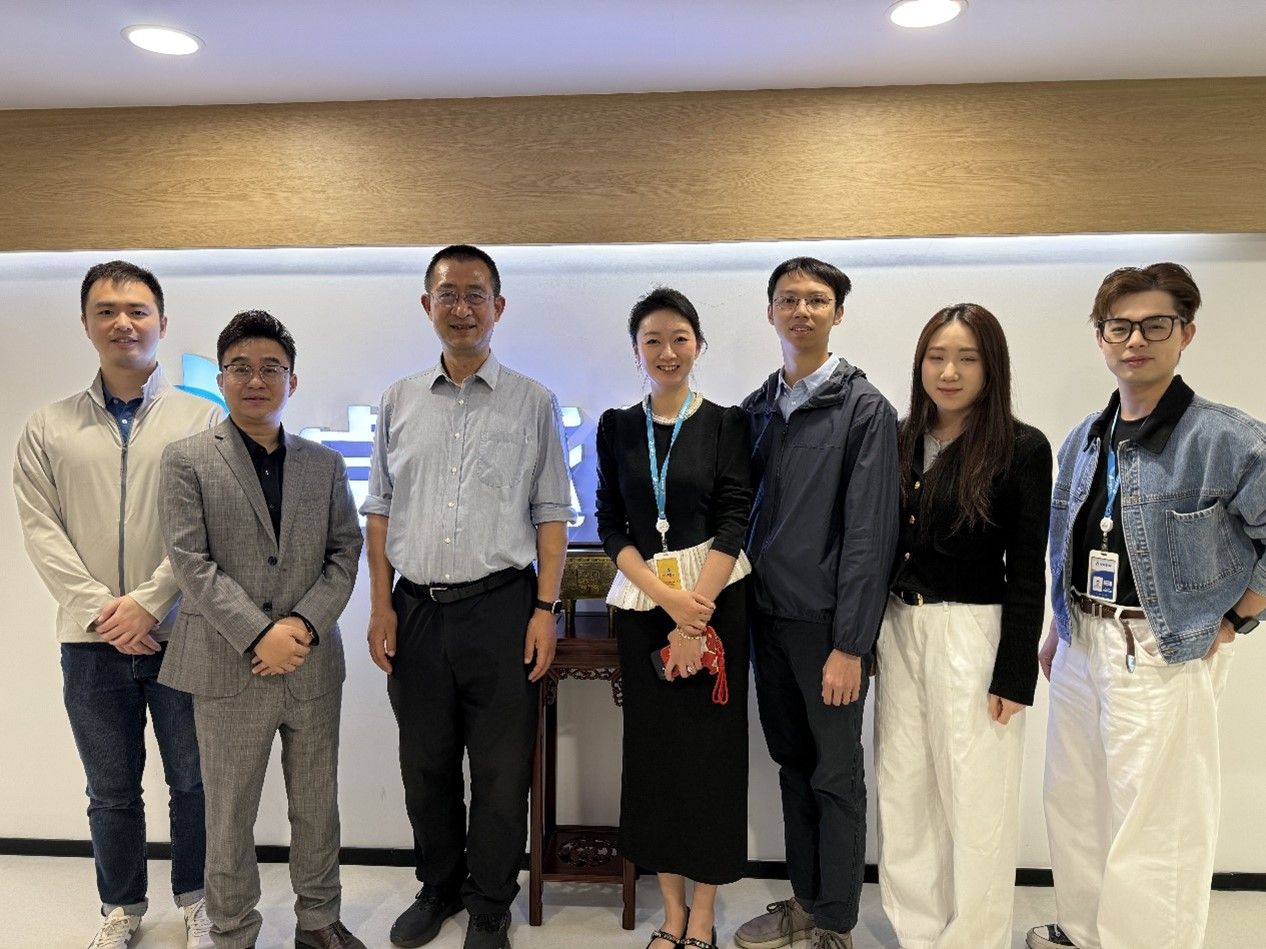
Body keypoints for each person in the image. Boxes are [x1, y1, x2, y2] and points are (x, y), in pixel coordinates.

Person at [1027, 263, 1266, 949]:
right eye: (1119, 326)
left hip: (1162, 648)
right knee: (1077, 800)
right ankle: (1083, 932)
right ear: (1100, 337)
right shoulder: (1086, 435)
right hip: (1083, 640)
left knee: (1159, 821)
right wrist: (1059, 625)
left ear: (1186, 333)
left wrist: (1237, 617)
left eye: (1154, 325)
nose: (1135, 340)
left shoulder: (1226, 439)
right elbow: (1068, 539)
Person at [363, 245, 574, 949]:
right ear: (428, 305)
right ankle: (438, 887)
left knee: (501, 769)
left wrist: (544, 610)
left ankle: (489, 904)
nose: (462, 308)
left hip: (503, 607)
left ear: (498, 307)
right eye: (448, 294)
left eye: (475, 294)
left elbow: (551, 516)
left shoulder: (534, 402)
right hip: (416, 609)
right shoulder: (397, 401)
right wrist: (381, 606)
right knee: (425, 765)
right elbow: (380, 512)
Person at [13, 260, 219, 949]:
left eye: (137, 310)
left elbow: (207, 526)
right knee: (110, 788)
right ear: (85, 324)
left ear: (162, 321)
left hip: (186, 633)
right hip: (90, 642)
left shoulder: (202, 417)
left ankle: (199, 899)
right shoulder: (48, 427)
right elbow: (41, 531)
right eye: (106, 310)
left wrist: (151, 602)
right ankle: (122, 908)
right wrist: (105, 611)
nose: (122, 322)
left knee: (195, 781)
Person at [158, 311, 365, 949]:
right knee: (228, 813)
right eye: (241, 368)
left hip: (310, 663)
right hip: (227, 666)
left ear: (292, 381)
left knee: (317, 805)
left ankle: (319, 920)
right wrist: (258, 634)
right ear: (221, 379)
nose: (256, 380)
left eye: (271, 368)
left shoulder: (325, 464)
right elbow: (190, 561)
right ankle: (231, 929)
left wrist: (300, 625)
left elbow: (344, 551)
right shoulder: (187, 459)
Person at [876, 304, 1051, 949]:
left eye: (967, 359)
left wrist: (1016, 673)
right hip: (899, 628)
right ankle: (918, 933)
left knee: (978, 797)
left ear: (990, 367)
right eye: (936, 357)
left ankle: (973, 937)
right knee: (905, 789)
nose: (949, 372)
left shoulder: (1020, 447)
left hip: (974, 634)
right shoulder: (898, 439)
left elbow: (1028, 568)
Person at [736, 258, 899, 949]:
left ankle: (835, 920)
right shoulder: (757, 408)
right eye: (789, 299)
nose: (802, 310)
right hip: (766, 621)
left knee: (835, 776)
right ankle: (804, 900)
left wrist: (850, 644)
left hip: (827, 630)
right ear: (771, 311)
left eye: (817, 299)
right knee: (792, 767)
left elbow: (870, 536)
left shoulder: (865, 409)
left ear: (838, 312)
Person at [595, 288, 751, 949]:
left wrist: (693, 621)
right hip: (645, 606)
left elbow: (735, 519)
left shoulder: (727, 423)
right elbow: (611, 524)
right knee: (654, 760)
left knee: (712, 760)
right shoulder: (616, 426)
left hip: (717, 600)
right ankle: (672, 913)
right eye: (653, 339)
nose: (667, 351)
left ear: (698, 346)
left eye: (680, 338)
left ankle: (705, 914)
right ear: (636, 350)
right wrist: (668, 605)